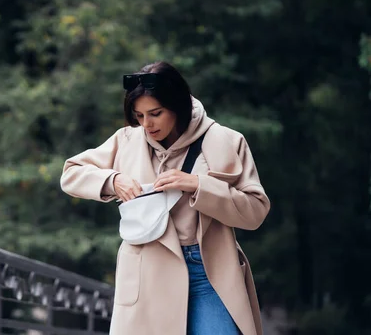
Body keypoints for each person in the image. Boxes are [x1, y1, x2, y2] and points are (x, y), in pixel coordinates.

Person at [60, 61, 270, 335]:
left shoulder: (226, 141)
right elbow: (71, 173)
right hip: (148, 274)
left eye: (155, 114)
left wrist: (199, 185)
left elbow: (255, 211)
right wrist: (113, 180)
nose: (146, 124)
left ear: (177, 105)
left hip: (210, 273)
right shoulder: (126, 140)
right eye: (139, 115)